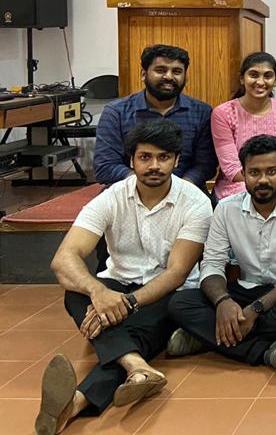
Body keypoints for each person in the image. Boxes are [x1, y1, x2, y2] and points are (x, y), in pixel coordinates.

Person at [35, 120, 212, 435]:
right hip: (116, 284)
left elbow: (176, 273)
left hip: (169, 291)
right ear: (131, 159)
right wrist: (98, 292)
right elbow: (64, 259)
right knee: (76, 293)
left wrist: (126, 304)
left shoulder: (196, 202)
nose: (154, 165)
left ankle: (75, 403)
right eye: (145, 157)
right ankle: (137, 367)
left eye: (163, 157)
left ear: (176, 160)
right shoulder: (111, 198)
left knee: (136, 324)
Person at [166, 135, 276, 376]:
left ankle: (207, 337)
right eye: (254, 172)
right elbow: (212, 264)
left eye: (271, 172)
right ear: (243, 173)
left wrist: (256, 309)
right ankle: (269, 351)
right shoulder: (226, 208)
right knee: (180, 303)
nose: (263, 180)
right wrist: (222, 301)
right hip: (246, 290)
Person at [93, 44, 216, 189]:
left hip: (186, 190)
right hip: (129, 190)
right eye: (160, 70)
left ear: (185, 77)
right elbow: (105, 165)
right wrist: (145, 187)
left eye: (176, 71)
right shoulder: (116, 112)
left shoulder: (202, 112)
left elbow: (205, 165)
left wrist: (179, 190)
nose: (169, 77)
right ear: (143, 74)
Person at [210, 52, 276, 200]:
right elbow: (231, 169)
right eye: (253, 75)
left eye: (267, 76)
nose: (260, 82)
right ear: (242, 78)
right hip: (235, 186)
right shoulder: (223, 113)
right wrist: (263, 182)